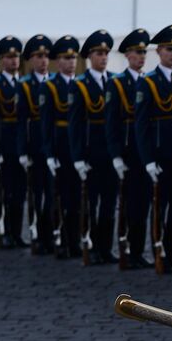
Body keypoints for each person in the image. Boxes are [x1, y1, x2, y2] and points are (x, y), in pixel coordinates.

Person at [138, 24, 172, 272]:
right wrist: (148, 159)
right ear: (158, 51)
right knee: (159, 206)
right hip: (159, 155)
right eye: (169, 49)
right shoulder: (148, 82)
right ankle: (159, 252)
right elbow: (142, 124)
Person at [107, 29, 153, 267]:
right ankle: (126, 250)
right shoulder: (117, 83)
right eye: (137, 52)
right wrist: (115, 155)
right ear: (127, 55)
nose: (141, 56)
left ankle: (138, 250)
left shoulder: (149, 81)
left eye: (144, 52)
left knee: (143, 202)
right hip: (127, 151)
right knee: (127, 204)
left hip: (144, 152)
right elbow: (112, 122)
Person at [71, 30, 117, 263]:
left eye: (106, 53)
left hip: (111, 153)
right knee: (90, 203)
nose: (103, 57)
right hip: (91, 153)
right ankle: (90, 245)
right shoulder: (80, 85)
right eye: (99, 53)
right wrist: (78, 157)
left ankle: (105, 247)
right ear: (89, 56)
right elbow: (75, 124)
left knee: (109, 203)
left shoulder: (114, 80)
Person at [43, 36, 83, 259]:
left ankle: (75, 240)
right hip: (59, 149)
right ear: (58, 61)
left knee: (77, 199)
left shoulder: (80, 84)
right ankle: (58, 239)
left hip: (77, 150)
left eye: (73, 58)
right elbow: (46, 124)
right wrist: (49, 153)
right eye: (66, 58)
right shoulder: (50, 86)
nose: (71, 62)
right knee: (59, 198)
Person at [0, 36, 27, 250]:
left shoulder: (24, 84)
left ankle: (16, 232)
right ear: (2, 60)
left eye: (16, 57)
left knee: (19, 192)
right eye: (9, 57)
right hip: (4, 145)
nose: (14, 61)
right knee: (5, 191)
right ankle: (4, 231)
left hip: (20, 146)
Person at [19, 35, 54, 252]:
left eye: (46, 56)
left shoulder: (56, 83)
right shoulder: (24, 86)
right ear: (30, 60)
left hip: (52, 147)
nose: (43, 61)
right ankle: (36, 235)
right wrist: (22, 151)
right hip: (34, 147)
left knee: (52, 194)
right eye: (38, 56)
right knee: (36, 194)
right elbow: (21, 122)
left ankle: (49, 234)